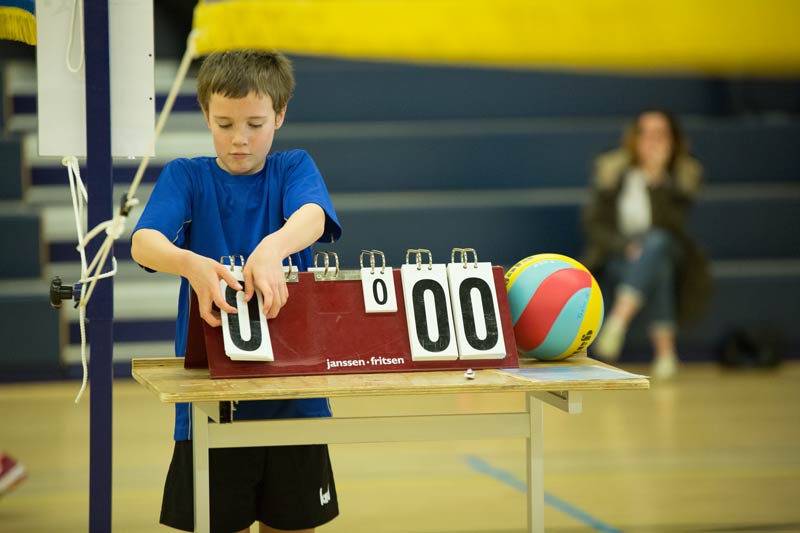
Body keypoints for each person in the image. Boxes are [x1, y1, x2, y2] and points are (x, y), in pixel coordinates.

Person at [131, 50, 342, 533]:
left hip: (295, 398)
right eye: (224, 124)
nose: (240, 139)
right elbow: (145, 243)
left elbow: (312, 215)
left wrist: (272, 247)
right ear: (205, 114)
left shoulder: (292, 167)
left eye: (255, 123)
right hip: (212, 400)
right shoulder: (186, 176)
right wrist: (189, 263)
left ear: (280, 115)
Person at [582, 110, 712, 380]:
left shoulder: (683, 173)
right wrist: (624, 247)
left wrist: (656, 180)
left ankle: (618, 320)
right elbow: (594, 224)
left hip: (670, 249)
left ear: (673, 140)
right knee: (658, 267)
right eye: (646, 133)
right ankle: (665, 353)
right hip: (619, 256)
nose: (653, 141)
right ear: (634, 137)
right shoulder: (612, 170)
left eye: (661, 134)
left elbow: (672, 226)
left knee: (657, 243)